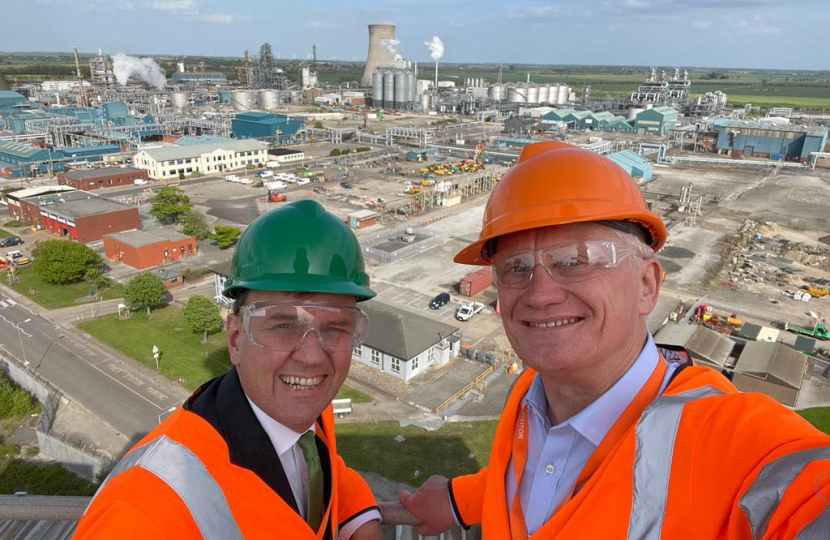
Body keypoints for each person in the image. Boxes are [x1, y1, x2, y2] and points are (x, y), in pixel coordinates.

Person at [399, 141, 830, 539]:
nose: (540, 294)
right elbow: (540, 471)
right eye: (515, 268)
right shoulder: (527, 397)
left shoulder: (733, 444)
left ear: (646, 284)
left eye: (575, 260)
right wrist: (461, 501)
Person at [76, 200, 383, 540]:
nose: (312, 357)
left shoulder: (307, 408)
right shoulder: (143, 508)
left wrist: (357, 514)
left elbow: (319, 464)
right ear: (236, 338)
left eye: (336, 328)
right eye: (283, 326)